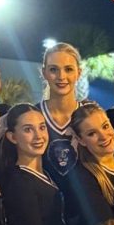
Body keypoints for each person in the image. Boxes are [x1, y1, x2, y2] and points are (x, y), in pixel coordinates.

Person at [0, 103, 74, 225]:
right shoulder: (19, 182)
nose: (38, 136)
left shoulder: (46, 172)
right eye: (28, 130)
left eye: (42, 127)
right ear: (12, 137)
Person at [38, 42, 82, 183]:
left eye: (68, 69)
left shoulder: (91, 117)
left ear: (78, 73)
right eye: (53, 70)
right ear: (44, 73)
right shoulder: (32, 116)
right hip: (44, 201)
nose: (61, 76)